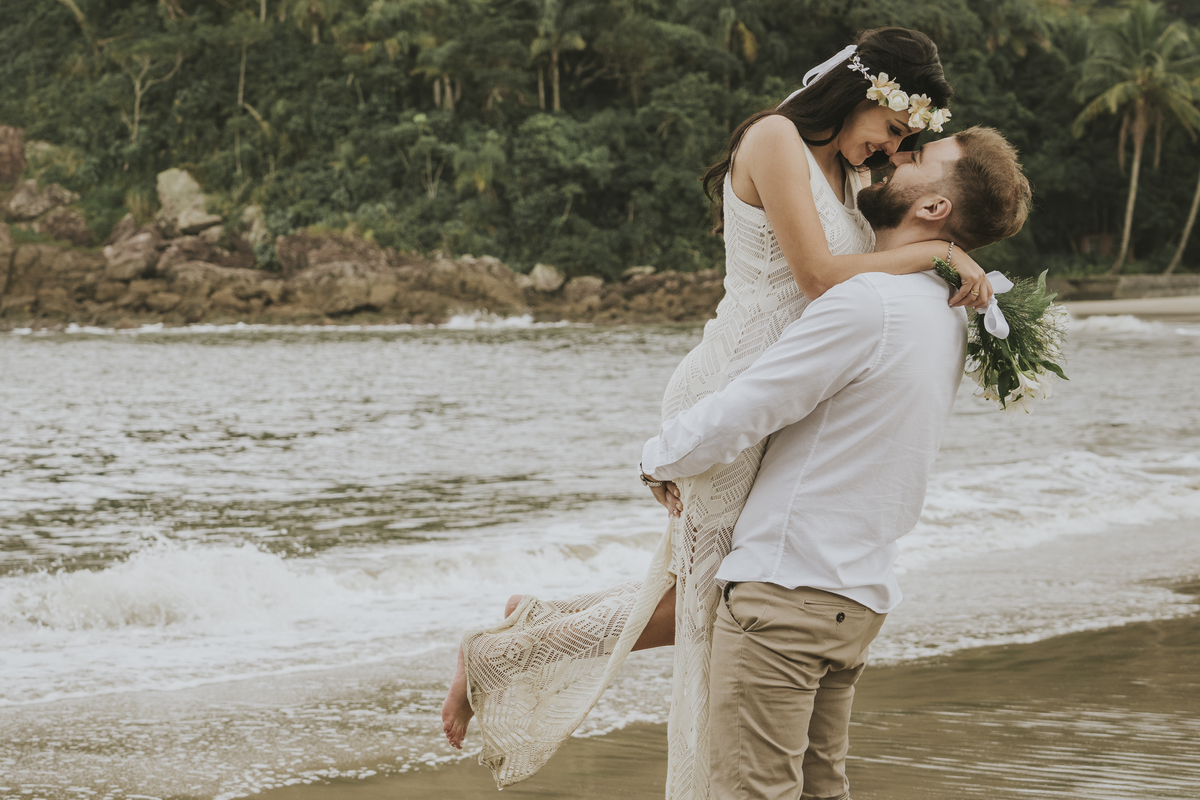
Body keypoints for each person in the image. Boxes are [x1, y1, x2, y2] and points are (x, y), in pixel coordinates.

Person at [442, 27, 998, 797]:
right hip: (732, 388)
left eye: (906, 141)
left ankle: (528, 633)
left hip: (777, 400)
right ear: (866, 92)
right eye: (894, 127)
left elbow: (864, 278)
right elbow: (817, 278)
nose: (892, 147)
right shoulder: (774, 137)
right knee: (710, 601)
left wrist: (939, 254)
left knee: (709, 593)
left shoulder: (845, 174)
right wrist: (937, 254)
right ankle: (510, 655)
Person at [642, 125, 1032, 800]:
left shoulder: (869, 303)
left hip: (786, 598)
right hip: (855, 597)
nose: (895, 157)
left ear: (934, 208)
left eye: (917, 160)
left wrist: (659, 455)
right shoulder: (944, 312)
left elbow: (747, 408)